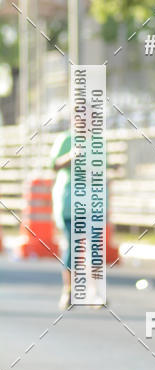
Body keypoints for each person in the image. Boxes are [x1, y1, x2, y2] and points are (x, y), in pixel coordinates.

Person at [50, 130, 75, 310]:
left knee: (94, 248)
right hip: (69, 201)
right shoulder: (65, 139)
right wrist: (71, 156)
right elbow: (54, 165)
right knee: (73, 245)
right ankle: (68, 290)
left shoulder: (98, 142)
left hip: (92, 202)